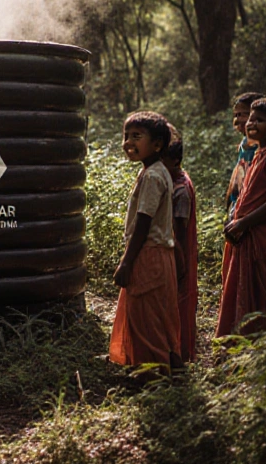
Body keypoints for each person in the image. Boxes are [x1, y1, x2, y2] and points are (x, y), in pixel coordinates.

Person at [216, 97, 266, 337]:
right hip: (248, 237)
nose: (251, 124)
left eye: (259, 120)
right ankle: (245, 344)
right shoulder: (258, 152)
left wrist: (244, 222)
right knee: (244, 291)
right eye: (251, 118)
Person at [109, 111, 181, 370]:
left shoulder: (152, 176)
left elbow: (143, 222)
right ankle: (173, 366)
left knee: (145, 319)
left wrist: (127, 262)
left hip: (147, 254)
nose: (128, 142)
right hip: (159, 254)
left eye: (136, 136)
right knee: (159, 316)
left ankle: (154, 377)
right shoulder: (156, 171)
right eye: (126, 136)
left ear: (158, 144)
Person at [162, 133, 198, 363]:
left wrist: (180, 257)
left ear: (175, 161)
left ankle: (177, 354)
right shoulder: (174, 181)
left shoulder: (180, 189)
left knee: (178, 300)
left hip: (178, 252)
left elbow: (179, 228)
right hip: (176, 250)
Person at [224, 92, 264, 221]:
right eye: (236, 115)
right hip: (238, 206)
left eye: (244, 114)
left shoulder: (262, 148)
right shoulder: (244, 144)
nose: (239, 119)